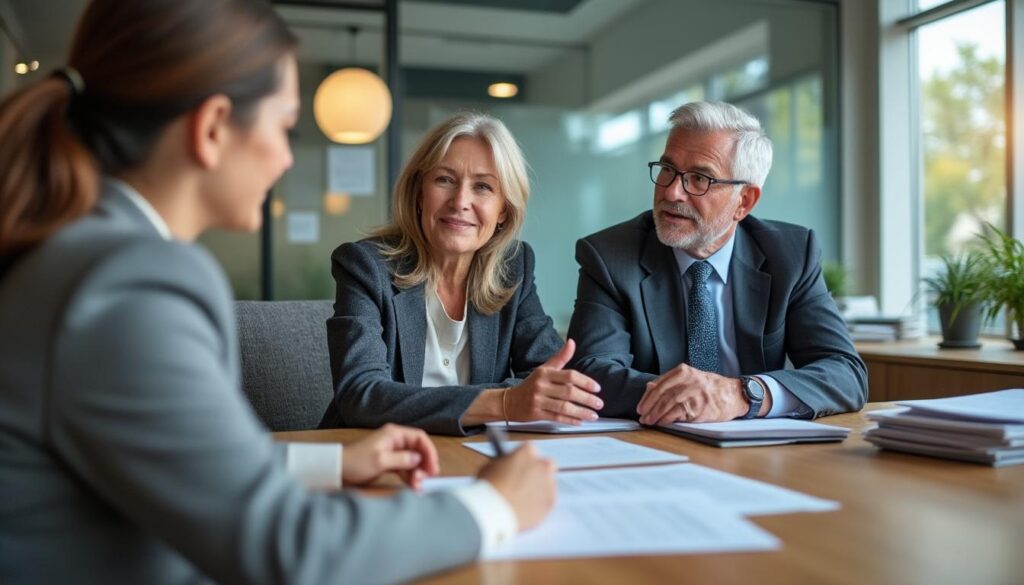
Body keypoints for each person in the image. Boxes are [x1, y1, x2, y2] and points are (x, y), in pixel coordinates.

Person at [0, 1, 555, 583]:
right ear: (214, 127)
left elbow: (187, 457)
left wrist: (328, 459)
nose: (289, 157)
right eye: (285, 126)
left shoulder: (92, 254)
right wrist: (492, 506)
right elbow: (288, 548)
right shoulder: (129, 283)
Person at [567, 101, 867, 426]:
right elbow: (591, 375)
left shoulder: (791, 255)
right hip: (655, 443)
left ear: (744, 201)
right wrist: (691, 398)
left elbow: (845, 373)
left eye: (699, 179)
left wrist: (743, 395)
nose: (672, 192)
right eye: (667, 170)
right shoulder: (610, 255)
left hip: (759, 450)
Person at [320, 113, 604, 436]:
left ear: (503, 212)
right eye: (444, 180)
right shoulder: (366, 266)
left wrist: (521, 395)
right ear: (418, 193)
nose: (460, 202)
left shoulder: (514, 267)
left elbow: (548, 379)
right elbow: (361, 394)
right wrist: (505, 402)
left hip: (474, 456)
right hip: (374, 459)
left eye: (482, 187)